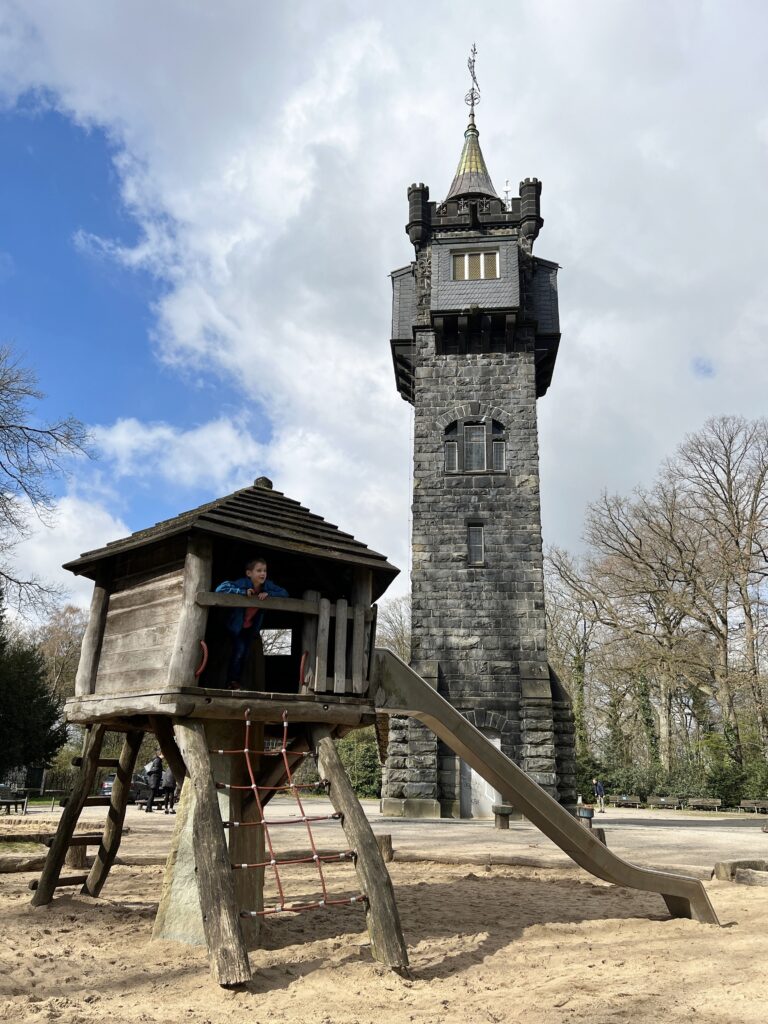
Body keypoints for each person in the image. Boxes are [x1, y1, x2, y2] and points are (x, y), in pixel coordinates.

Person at [215, 556, 288, 688]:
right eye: (259, 570)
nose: (263, 574)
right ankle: (231, 681)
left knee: (245, 654)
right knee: (239, 651)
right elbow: (220, 589)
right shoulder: (243, 583)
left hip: (250, 628)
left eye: (264, 571)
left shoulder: (267, 586)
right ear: (249, 573)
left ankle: (236, 681)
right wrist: (241, 592)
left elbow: (284, 593)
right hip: (235, 627)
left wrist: (268, 594)